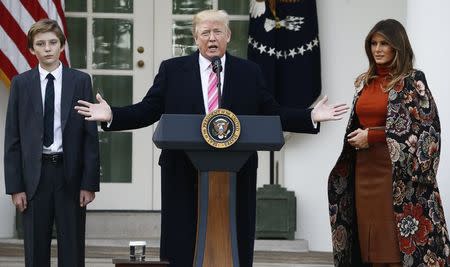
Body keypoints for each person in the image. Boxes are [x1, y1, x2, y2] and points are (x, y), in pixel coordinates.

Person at [75, 10, 348, 266]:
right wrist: (113, 115)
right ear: (195, 37)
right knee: (183, 240)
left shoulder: (248, 72)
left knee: (234, 238)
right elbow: (148, 110)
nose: (212, 38)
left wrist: (309, 116)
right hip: (182, 170)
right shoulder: (173, 70)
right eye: (205, 33)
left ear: (228, 36)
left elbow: (272, 112)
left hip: (235, 173)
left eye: (218, 32)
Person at [327, 19, 450, 267]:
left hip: (396, 175)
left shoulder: (412, 81)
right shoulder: (366, 82)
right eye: (373, 43)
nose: (378, 49)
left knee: (393, 246)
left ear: (398, 47)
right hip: (364, 171)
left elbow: (426, 129)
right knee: (367, 245)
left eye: (385, 43)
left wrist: (371, 136)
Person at [4, 19, 100, 267]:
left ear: (62, 46)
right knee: (35, 249)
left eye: (52, 43)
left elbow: (89, 136)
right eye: (40, 44)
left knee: (72, 248)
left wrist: (88, 183)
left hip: (70, 175)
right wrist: (16, 187)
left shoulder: (80, 81)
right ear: (31, 49)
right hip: (35, 177)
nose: (47, 48)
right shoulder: (21, 84)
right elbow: (12, 139)